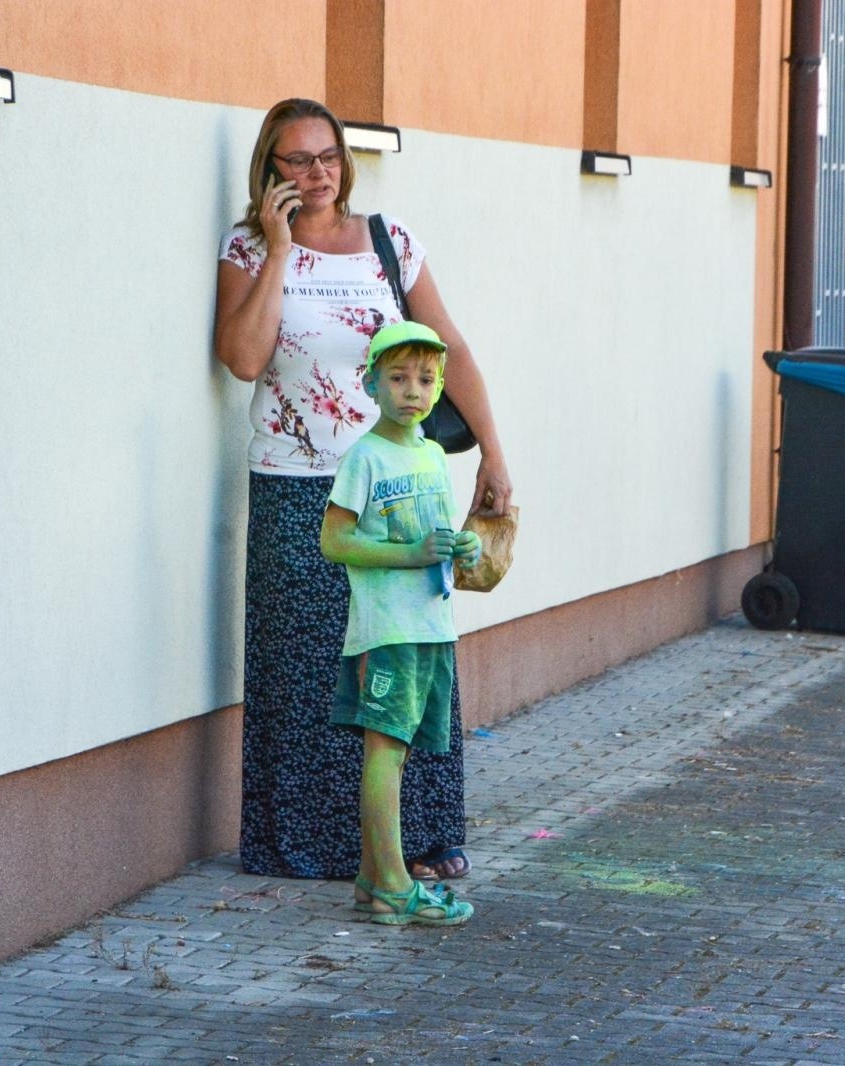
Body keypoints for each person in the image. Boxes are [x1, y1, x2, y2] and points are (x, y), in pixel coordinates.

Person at [212, 98, 513, 883]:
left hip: (400, 484)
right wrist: (279, 250)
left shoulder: (391, 242)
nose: (317, 174)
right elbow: (243, 360)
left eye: (329, 157)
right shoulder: (248, 248)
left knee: (405, 658)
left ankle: (423, 832)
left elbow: (448, 347)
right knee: (308, 670)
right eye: (298, 161)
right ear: (269, 173)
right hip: (295, 486)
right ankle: (316, 843)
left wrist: (494, 456)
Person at [320, 321, 480, 924]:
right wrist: (411, 555)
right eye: (398, 377)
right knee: (383, 752)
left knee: (401, 750)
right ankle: (392, 884)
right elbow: (335, 540)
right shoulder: (365, 457)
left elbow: (430, 535)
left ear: (438, 390)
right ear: (371, 383)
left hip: (432, 627)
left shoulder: (434, 455)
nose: (413, 389)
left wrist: (457, 545)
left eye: (426, 379)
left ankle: (371, 877)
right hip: (386, 630)